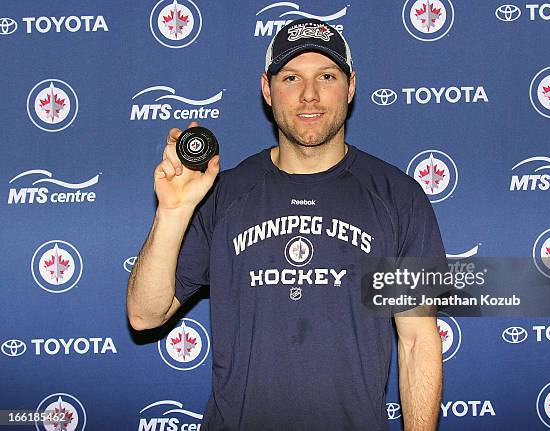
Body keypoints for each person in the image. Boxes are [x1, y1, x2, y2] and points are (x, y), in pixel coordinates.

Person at [127, 18, 445, 431]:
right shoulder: (224, 194)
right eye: (291, 77)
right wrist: (173, 212)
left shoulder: (397, 197)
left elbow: (419, 341)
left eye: (326, 76)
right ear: (267, 88)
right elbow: (144, 316)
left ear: (350, 87)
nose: (309, 95)